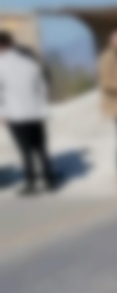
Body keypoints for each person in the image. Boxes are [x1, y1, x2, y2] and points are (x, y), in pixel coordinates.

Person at [0, 31, 55, 194]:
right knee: (40, 147)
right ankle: (49, 178)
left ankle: (31, 182)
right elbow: (43, 87)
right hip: (36, 113)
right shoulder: (30, 63)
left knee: (25, 150)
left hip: (16, 114)